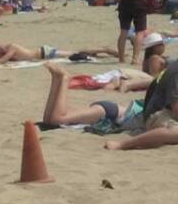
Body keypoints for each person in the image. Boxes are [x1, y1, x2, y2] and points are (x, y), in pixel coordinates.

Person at [36, 43, 178, 147]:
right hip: (110, 114)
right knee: (58, 119)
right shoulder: (171, 70)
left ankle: (57, 81)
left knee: (51, 120)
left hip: (114, 110)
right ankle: (63, 80)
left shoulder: (166, 71)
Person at [0, 39, 116, 66]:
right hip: (43, 53)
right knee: (76, 54)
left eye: (0, 46)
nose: (1, 49)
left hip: (45, 52)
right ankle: (100, 52)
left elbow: (2, 61)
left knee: (75, 53)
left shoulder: (11, 47)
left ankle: (104, 50)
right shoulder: (1, 53)